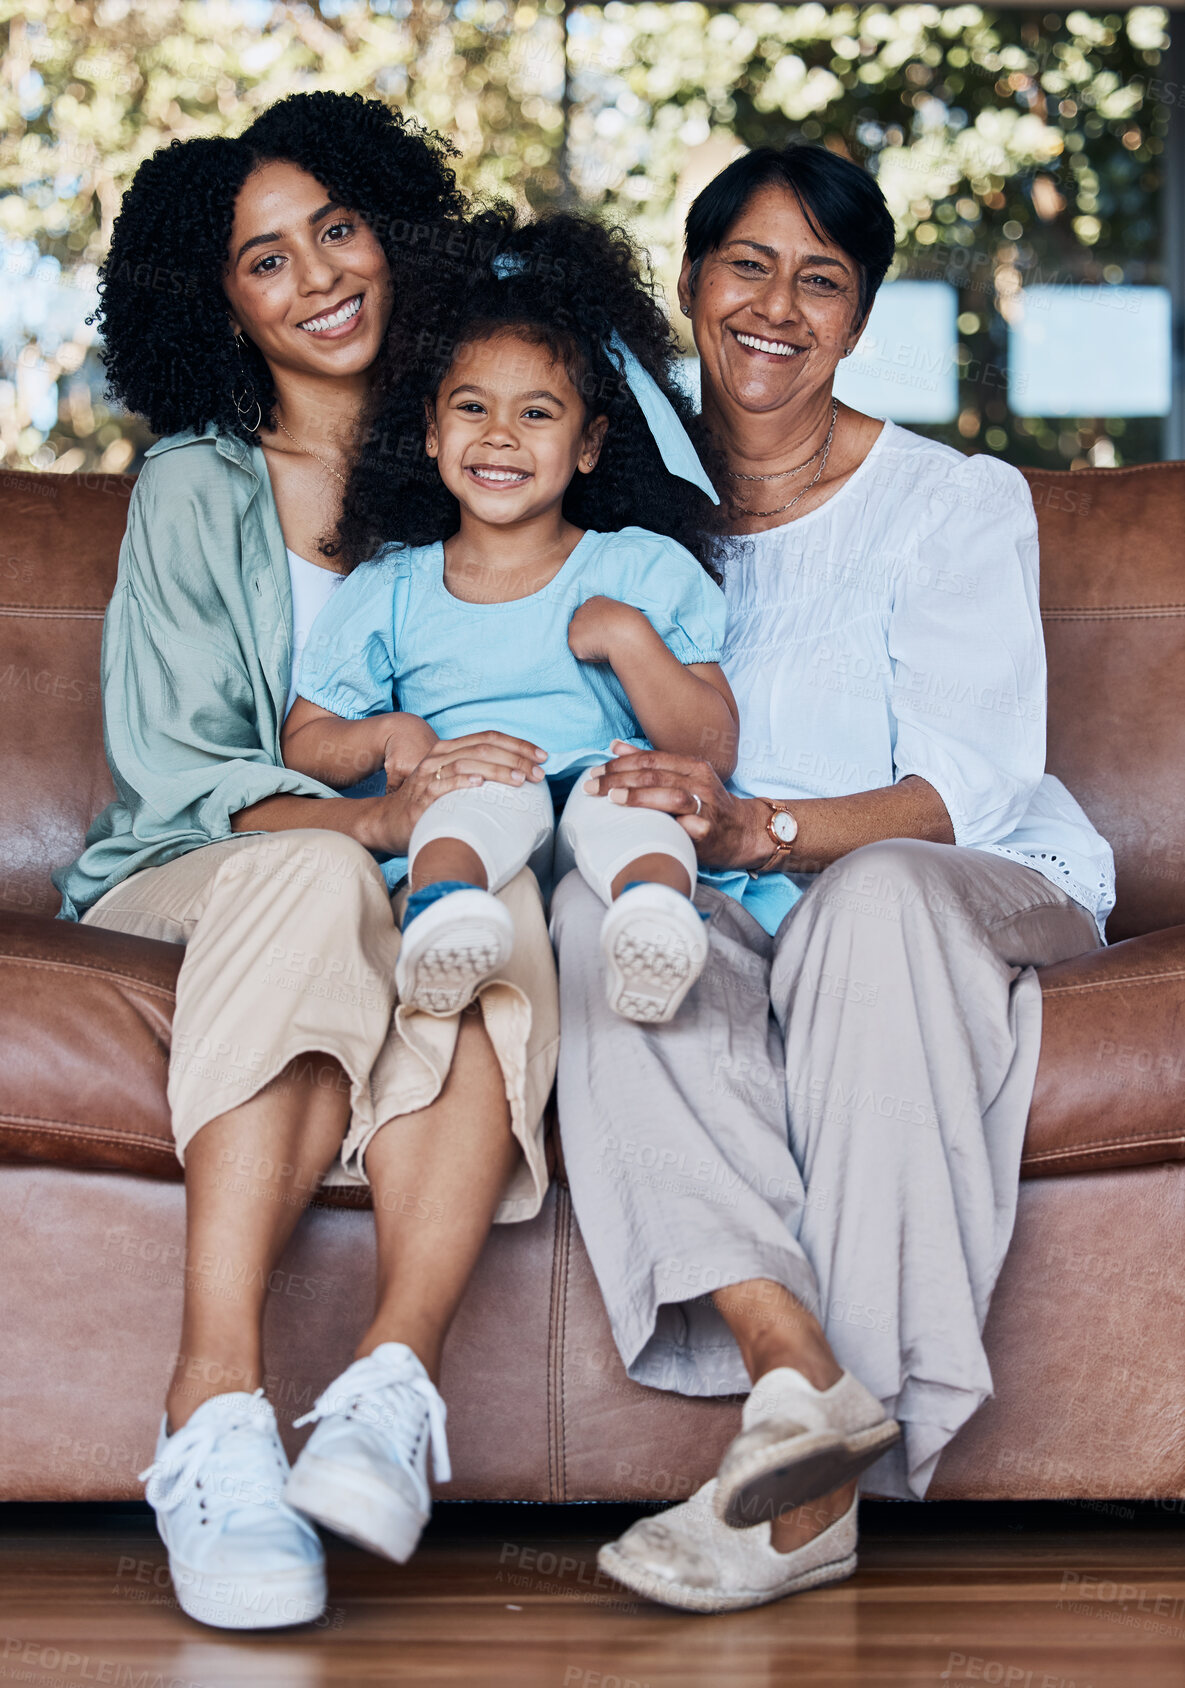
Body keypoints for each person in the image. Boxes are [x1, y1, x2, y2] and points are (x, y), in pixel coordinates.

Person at [551, 142, 1115, 1613]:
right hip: (740, 914)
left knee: (871, 903)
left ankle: (805, 1505)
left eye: (823, 280)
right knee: (591, 912)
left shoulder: (948, 500)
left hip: (965, 879)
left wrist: (761, 829)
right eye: (747, 265)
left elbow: (967, 788)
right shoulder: (624, 514)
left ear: (857, 319)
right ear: (688, 285)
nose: (778, 306)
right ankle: (801, 1395)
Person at [54, 94, 559, 1632]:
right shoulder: (195, 484)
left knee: (494, 902)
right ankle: (212, 1413)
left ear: (395, 234)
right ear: (217, 303)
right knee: (328, 881)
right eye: (263, 261)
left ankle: (384, 1395)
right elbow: (182, 773)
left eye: (337, 229)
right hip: (199, 867)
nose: (318, 275)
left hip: (416, 865)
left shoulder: (472, 447)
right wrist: (375, 817)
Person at [283, 209, 740, 1027]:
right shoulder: (393, 585)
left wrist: (631, 640)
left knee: (638, 805)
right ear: (428, 432)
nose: (499, 437)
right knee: (464, 801)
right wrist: (389, 736)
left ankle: (655, 925)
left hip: (608, 781)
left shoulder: (637, 566)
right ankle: (444, 917)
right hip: (482, 785)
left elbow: (710, 747)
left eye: (536, 414)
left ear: (590, 444)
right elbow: (306, 742)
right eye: (470, 409)